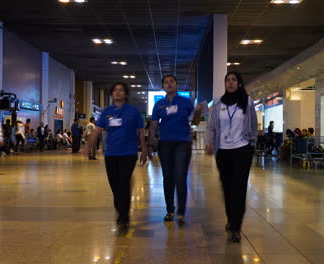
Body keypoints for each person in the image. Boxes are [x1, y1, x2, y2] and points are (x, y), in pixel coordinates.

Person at [84, 81, 147, 228]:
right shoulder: (106, 112)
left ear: (125, 94)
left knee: (123, 182)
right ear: (112, 94)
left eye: (121, 90)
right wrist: (87, 146)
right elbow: (97, 130)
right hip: (111, 153)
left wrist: (144, 150)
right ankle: (121, 210)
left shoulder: (133, 111)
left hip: (129, 152)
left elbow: (140, 132)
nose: (118, 92)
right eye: (115, 90)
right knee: (115, 185)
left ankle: (123, 215)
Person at [205, 71, 258, 243]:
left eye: (234, 80)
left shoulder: (247, 102)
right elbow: (211, 126)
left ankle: (236, 227)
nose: (231, 83)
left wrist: (252, 146)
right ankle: (230, 218)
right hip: (223, 152)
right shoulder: (219, 104)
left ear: (239, 83)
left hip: (242, 150)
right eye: (228, 80)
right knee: (227, 188)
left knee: (239, 188)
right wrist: (209, 143)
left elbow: (253, 126)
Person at [148, 74, 202, 226]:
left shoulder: (185, 102)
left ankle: (181, 213)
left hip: (182, 143)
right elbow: (153, 126)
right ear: (163, 86)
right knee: (168, 177)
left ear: (177, 85)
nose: (169, 84)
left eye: (172, 81)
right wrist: (149, 145)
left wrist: (198, 111)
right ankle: (170, 209)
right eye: (166, 82)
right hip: (164, 144)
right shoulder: (159, 104)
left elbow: (195, 121)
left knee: (180, 176)